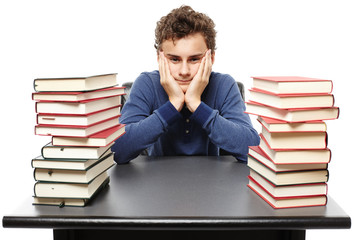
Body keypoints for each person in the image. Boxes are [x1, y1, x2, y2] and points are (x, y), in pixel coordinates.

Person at [111, 5, 260, 164]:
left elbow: (252, 150)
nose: (184, 71)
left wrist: (196, 104)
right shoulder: (147, 84)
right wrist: (174, 104)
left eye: (194, 59)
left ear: (211, 58)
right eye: (174, 59)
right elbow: (118, 150)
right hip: (156, 182)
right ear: (159, 58)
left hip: (213, 182)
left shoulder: (224, 85)